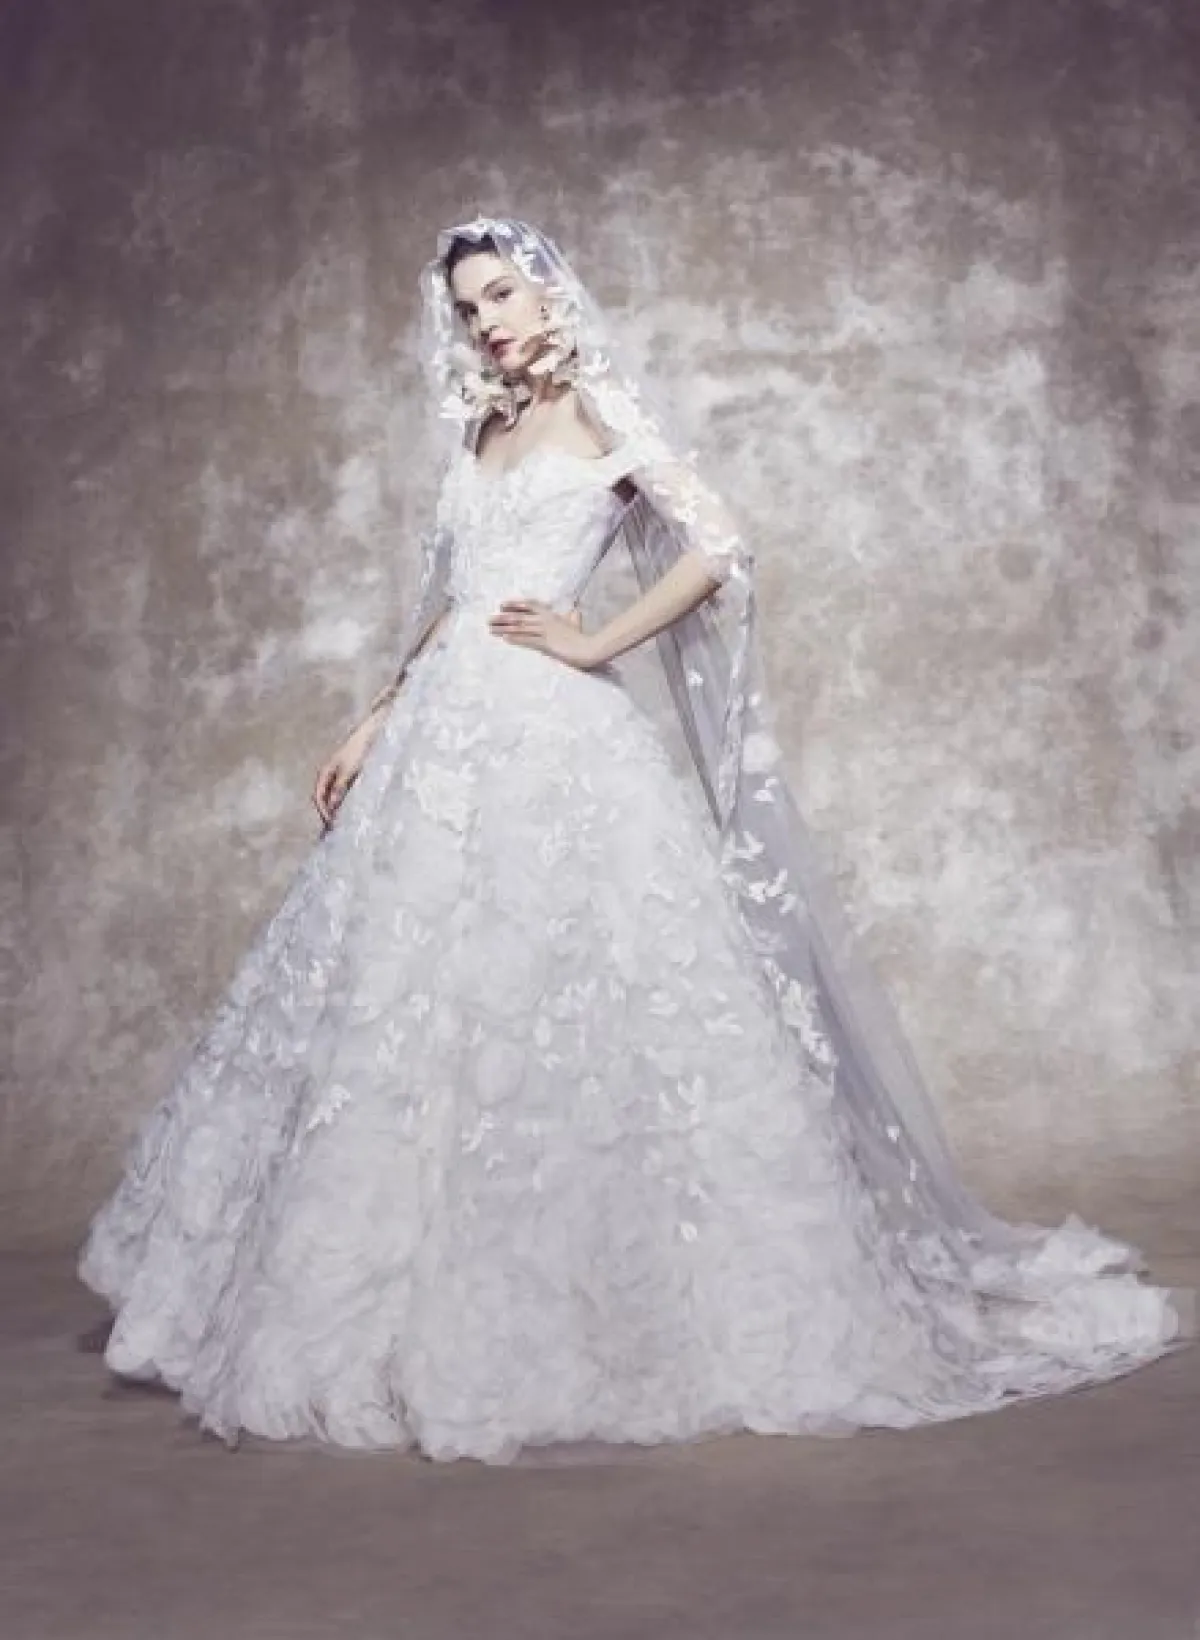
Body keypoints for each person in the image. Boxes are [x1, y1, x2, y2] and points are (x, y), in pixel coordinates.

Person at [78, 215, 1193, 1465]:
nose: (488, 321)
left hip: (552, 735)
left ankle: (600, 1303)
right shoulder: (482, 425)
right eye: (468, 308)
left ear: (549, 292)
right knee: (404, 1005)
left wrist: (597, 640)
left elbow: (721, 544)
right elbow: (456, 599)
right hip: (437, 742)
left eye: (503, 294)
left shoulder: (599, 411)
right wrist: (375, 716)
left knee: (557, 1000)